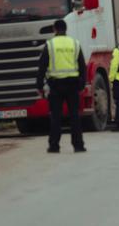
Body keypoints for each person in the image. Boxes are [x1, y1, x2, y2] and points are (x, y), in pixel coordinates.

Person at [36, 19, 87, 154]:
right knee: (74, 116)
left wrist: (39, 85)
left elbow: (42, 66)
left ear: (54, 29)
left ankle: (54, 146)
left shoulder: (50, 45)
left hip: (56, 85)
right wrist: (82, 83)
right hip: (73, 85)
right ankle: (78, 145)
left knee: (56, 117)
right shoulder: (74, 43)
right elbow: (82, 65)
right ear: (66, 29)